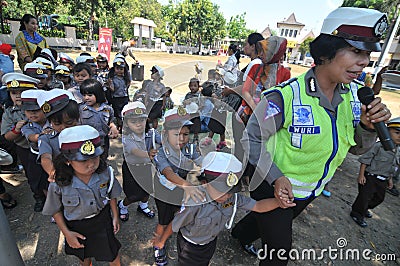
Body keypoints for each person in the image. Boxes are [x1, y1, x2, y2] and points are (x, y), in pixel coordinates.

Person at [232, 7, 391, 265]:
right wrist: (276, 177)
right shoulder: (284, 97)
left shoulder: (354, 96)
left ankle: (240, 233)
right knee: (279, 251)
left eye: (367, 54)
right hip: (273, 185)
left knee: (267, 225)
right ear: (327, 51)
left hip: (310, 189)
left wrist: (368, 127)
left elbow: (355, 148)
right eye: (356, 51)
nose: (364, 62)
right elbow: (251, 139)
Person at [163, 152, 294, 265]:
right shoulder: (195, 203)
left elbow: (258, 206)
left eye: (230, 191)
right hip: (190, 246)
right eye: (221, 190)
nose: (226, 196)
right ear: (205, 183)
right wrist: (161, 241)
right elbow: (175, 224)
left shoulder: (233, 198)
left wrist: (279, 202)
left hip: (210, 242)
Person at [42, 125, 122, 266]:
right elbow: (55, 209)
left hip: (102, 221)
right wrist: (67, 233)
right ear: (68, 160)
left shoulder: (105, 173)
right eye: (83, 160)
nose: (91, 164)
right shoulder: (59, 183)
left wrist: (115, 216)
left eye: (95, 157)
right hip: (76, 227)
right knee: (83, 257)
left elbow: (111, 195)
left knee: (112, 254)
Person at [152, 106, 204, 266]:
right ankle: (158, 244)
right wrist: (188, 185)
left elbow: (202, 163)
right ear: (165, 134)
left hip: (180, 187)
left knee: (177, 211)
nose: (181, 139)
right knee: (163, 220)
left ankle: (171, 225)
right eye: (176, 134)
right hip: (164, 190)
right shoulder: (161, 153)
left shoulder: (190, 148)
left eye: (185, 134)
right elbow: (169, 174)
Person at [1, 73, 42, 210]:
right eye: (14, 92)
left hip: (45, 145)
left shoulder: (42, 105)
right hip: (24, 148)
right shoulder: (9, 113)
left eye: (22, 92)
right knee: (32, 175)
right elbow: (6, 137)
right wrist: (16, 130)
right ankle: (39, 197)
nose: (18, 96)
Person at [350, 117, 400, 227]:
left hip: (383, 179)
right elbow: (365, 160)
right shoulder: (379, 146)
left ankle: (365, 207)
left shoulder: (397, 149)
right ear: (387, 131)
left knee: (379, 198)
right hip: (370, 177)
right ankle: (357, 214)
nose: (399, 136)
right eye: (397, 133)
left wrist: (390, 179)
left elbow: (392, 166)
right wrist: (361, 175)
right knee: (364, 197)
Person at [118, 101, 158, 221]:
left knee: (147, 190)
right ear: (126, 123)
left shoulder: (151, 133)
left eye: (141, 120)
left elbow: (163, 140)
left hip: (145, 167)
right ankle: (123, 206)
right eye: (133, 121)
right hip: (131, 168)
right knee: (132, 194)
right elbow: (135, 151)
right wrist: (148, 154)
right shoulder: (127, 137)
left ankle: (143, 206)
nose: (138, 124)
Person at [38, 89, 79, 182]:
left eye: (69, 123)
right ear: (50, 122)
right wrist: (52, 171)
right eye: (57, 123)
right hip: (63, 179)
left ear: (77, 118)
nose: (63, 127)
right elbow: (45, 157)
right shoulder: (46, 137)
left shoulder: (84, 133)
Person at [20, 89, 49, 212]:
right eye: (28, 111)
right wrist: (42, 136)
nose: (32, 114)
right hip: (36, 157)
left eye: (36, 110)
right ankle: (49, 203)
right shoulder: (27, 125)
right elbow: (31, 137)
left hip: (53, 156)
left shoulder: (53, 121)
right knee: (40, 182)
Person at [79, 79, 119, 160]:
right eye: (84, 95)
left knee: (102, 160)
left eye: (90, 95)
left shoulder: (107, 109)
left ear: (98, 94)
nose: (86, 98)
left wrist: (113, 127)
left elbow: (111, 121)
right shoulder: (81, 109)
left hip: (103, 142)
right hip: (87, 142)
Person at [109, 57, 130, 132]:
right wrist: (110, 83)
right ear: (114, 69)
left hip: (124, 98)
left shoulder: (125, 79)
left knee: (124, 112)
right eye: (117, 69)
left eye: (121, 69)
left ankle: (124, 126)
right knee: (118, 114)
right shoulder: (113, 79)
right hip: (116, 98)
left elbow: (126, 88)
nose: (119, 71)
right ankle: (120, 125)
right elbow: (113, 90)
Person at [144, 65, 166, 130]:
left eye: (153, 73)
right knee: (149, 116)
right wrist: (145, 102)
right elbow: (147, 94)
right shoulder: (149, 84)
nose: (152, 74)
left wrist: (163, 104)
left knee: (155, 118)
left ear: (158, 75)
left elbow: (164, 96)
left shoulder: (162, 86)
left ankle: (154, 130)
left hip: (158, 103)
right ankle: (148, 129)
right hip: (150, 102)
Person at [183, 78, 202, 143]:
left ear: (198, 87)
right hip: (189, 113)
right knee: (187, 124)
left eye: (195, 86)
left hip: (196, 113)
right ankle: (186, 136)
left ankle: (196, 136)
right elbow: (184, 103)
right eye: (191, 86)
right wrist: (186, 103)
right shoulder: (188, 95)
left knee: (196, 124)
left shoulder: (199, 95)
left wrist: (198, 106)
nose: (192, 87)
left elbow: (202, 104)